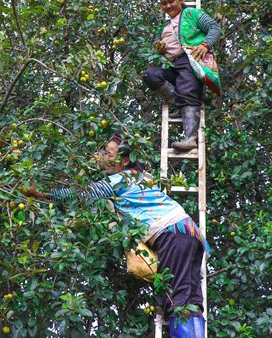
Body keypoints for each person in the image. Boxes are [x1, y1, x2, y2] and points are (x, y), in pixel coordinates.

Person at [23, 134, 209, 338]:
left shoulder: (119, 180)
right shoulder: (142, 176)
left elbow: (79, 194)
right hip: (190, 231)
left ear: (125, 161)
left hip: (172, 234)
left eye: (108, 154)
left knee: (176, 299)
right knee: (192, 299)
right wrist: (100, 162)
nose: (103, 158)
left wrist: (40, 194)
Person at [143, 0, 221, 151]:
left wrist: (205, 45)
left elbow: (214, 27)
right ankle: (180, 105)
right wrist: (160, 49)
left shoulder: (192, 14)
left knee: (188, 91)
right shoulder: (165, 24)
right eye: (164, 4)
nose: (168, 6)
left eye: (171, 1)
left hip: (189, 60)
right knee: (151, 75)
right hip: (170, 64)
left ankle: (190, 138)